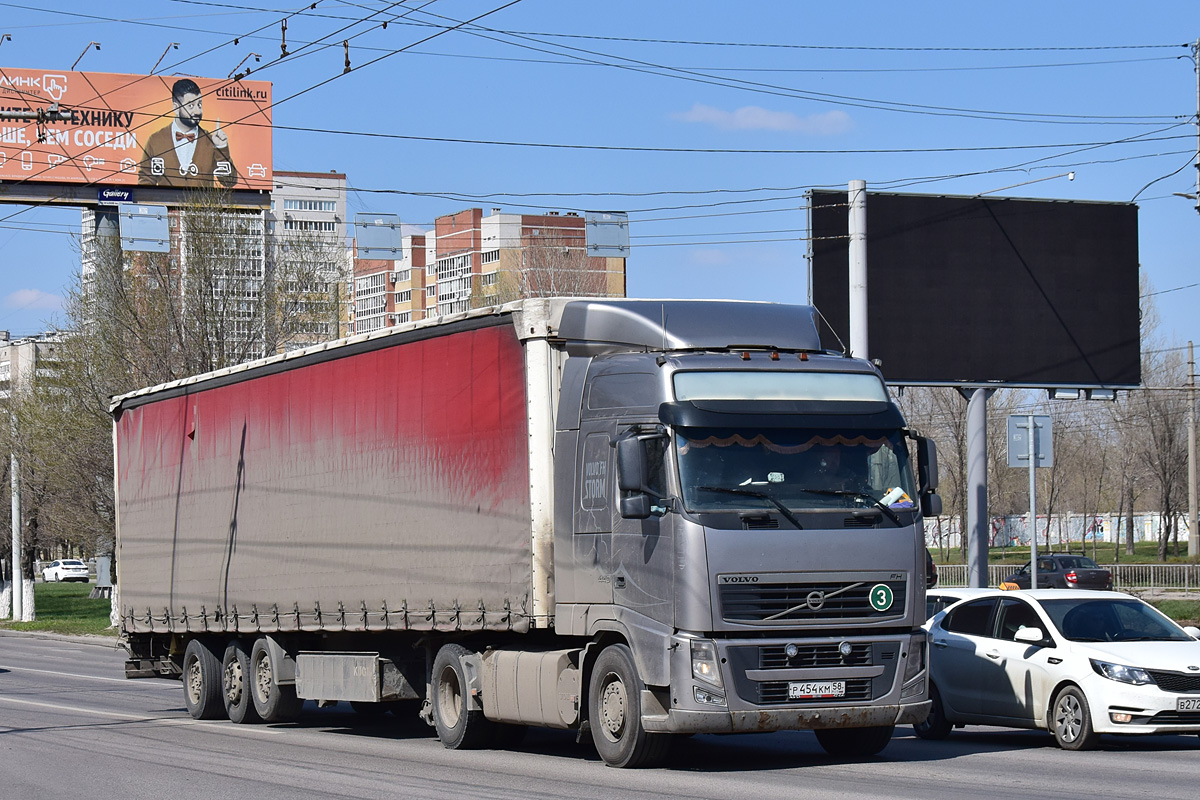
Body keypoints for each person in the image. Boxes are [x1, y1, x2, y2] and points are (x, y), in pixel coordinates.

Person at [139, 78, 239, 188]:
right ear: (176, 108)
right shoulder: (156, 140)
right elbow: (145, 182)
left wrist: (221, 148)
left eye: (199, 105)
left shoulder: (210, 140)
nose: (197, 111)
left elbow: (229, 181)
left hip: (204, 205)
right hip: (166, 204)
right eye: (191, 106)